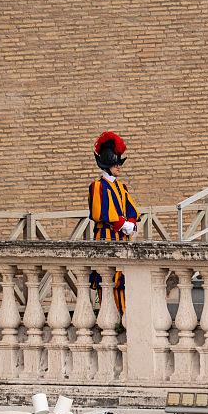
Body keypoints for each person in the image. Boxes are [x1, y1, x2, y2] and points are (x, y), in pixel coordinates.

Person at [88, 131, 140, 312]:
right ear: (107, 164)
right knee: (107, 278)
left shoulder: (121, 186)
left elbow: (131, 209)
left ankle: (125, 315)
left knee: (123, 279)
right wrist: (123, 225)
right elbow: (100, 213)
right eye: (116, 163)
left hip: (123, 238)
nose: (119, 167)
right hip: (106, 237)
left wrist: (131, 223)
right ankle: (111, 316)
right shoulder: (97, 186)